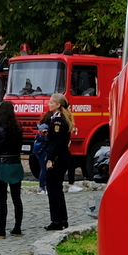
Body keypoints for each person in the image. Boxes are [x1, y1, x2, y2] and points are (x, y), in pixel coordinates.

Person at [0, 102, 26, 237]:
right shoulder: (18, 129)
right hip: (15, 163)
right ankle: (17, 228)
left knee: (2, 198)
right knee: (17, 198)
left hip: (2, 164)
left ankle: (1, 228)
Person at [40, 93, 74, 230]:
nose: (49, 104)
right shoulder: (59, 118)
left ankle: (57, 220)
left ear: (58, 105)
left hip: (58, 158)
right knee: (57, 189)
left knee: (53, 189)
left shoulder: (58, 120)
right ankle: (62, 219)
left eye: (51, 102)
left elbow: (57, 142)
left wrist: (50, 159)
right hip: (62, 156)